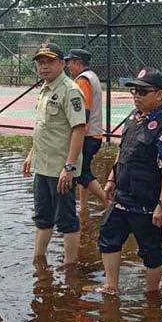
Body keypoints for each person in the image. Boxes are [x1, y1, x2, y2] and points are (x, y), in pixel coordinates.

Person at [98, 68, 162, 295]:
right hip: (122, 196)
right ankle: (111, 286)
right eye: (135, 91)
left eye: (143, 92)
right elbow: (122, 151)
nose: (137, 95)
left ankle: (152, 294)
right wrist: (111, 178)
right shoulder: (133, 118)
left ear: (159, 94)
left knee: (151, 249)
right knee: (108, 236)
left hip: (147, 201)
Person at [22, 43, 87, 266]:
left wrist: (69, 167)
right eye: (40, 62)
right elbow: (44, 127)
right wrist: (32, 153)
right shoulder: (45, 88)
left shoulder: (70, 90)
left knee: (66, 219)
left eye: (49, 62)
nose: (44, 67)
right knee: (42, 217)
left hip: (61, 169)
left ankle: (70, 267)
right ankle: (38, 260)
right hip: (43, 166)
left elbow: (79, 129)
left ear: (62, 63)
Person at [64, 48, 109, 210]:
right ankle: (83, 208)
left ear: (76, 62)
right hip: (95, 134)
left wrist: (78, 135)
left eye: (69, 62)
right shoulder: (92, 76)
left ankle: (107, 201)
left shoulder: (82, 80)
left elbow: (84, 111)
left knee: (82, 173)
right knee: (83, 170)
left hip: (87, 135)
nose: (68, 66)